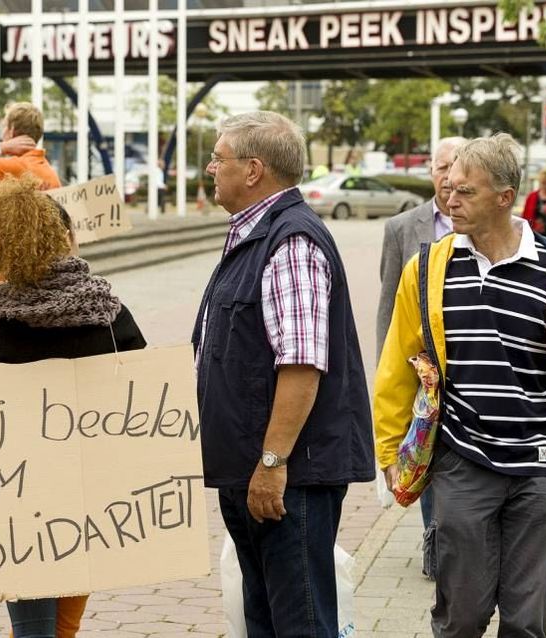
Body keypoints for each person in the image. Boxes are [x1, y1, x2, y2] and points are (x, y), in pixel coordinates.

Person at [373, 134, 546, 637]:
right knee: (461, 619)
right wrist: (390, 450)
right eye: (448, 187)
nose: (449, 198)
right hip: (462, 466)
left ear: (504, 198)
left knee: (526, 624)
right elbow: (396, 367)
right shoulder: (428, 270)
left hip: (540, 473)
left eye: (466, 191)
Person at [192, 111, 374, 637]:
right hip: (256, 473)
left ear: (253, 170)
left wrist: (272, 461)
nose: (210, 168)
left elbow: (301, 364)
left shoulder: (291, 241)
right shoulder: (258, 232)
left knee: (301, 622)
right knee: (267, 620)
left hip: (287, 479)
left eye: (219, 158)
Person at [0, 175, 145, 638]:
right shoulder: (108, 314)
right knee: (65, 625)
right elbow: (146, 394)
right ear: (65, 239)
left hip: (15, 496)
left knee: (33, 628)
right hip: (92, 495)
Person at [375, 136, 465, 546]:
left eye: (457, 167)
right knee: (423, 453)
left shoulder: (482, 225)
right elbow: (389, 304)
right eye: (442, 168)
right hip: (420, 369)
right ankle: (435, 539)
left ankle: (451, 537)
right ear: (431, 172)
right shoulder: (400, 228)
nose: (448, 177)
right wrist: (385, 369)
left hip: (465, 363)